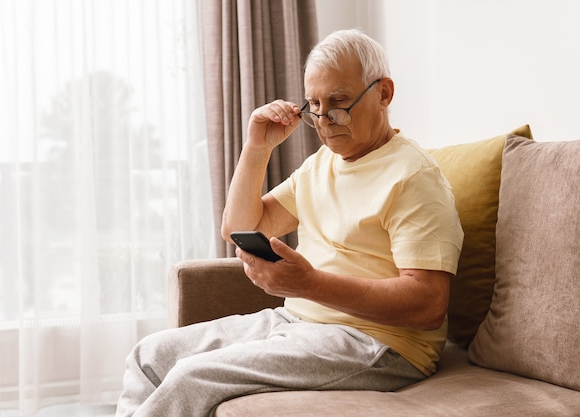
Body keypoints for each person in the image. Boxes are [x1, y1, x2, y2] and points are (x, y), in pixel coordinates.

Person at [115, 28, 463, 417]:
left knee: (191, 378)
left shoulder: (413, 176)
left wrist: (310, 283)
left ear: (383, 94)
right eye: (313, 104)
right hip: (295, 321)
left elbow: (429, 303)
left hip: (377, 343)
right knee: (149, 355)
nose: (325, 120)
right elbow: (240, 227)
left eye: (338, 102)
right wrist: (256, 147)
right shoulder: (320, 164)